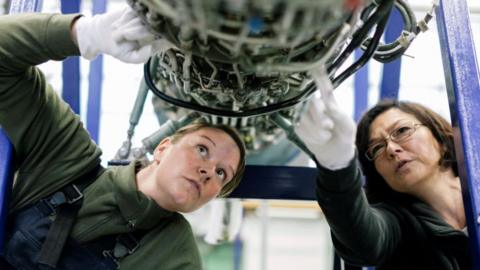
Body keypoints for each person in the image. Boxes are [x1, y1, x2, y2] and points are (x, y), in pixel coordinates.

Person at [0, 5, 246, 270]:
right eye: (202, 149)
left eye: (222, 174)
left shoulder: (175, 257)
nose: (208, 170)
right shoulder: (67, 158)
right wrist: (85, 34)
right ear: (163, 148)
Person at [295, 84, 468, 269]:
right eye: (377, 148)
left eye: (402, 131)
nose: (391, 149)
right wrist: (337, 164)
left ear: (439, 138)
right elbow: (362, 238)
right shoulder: (397, 225)